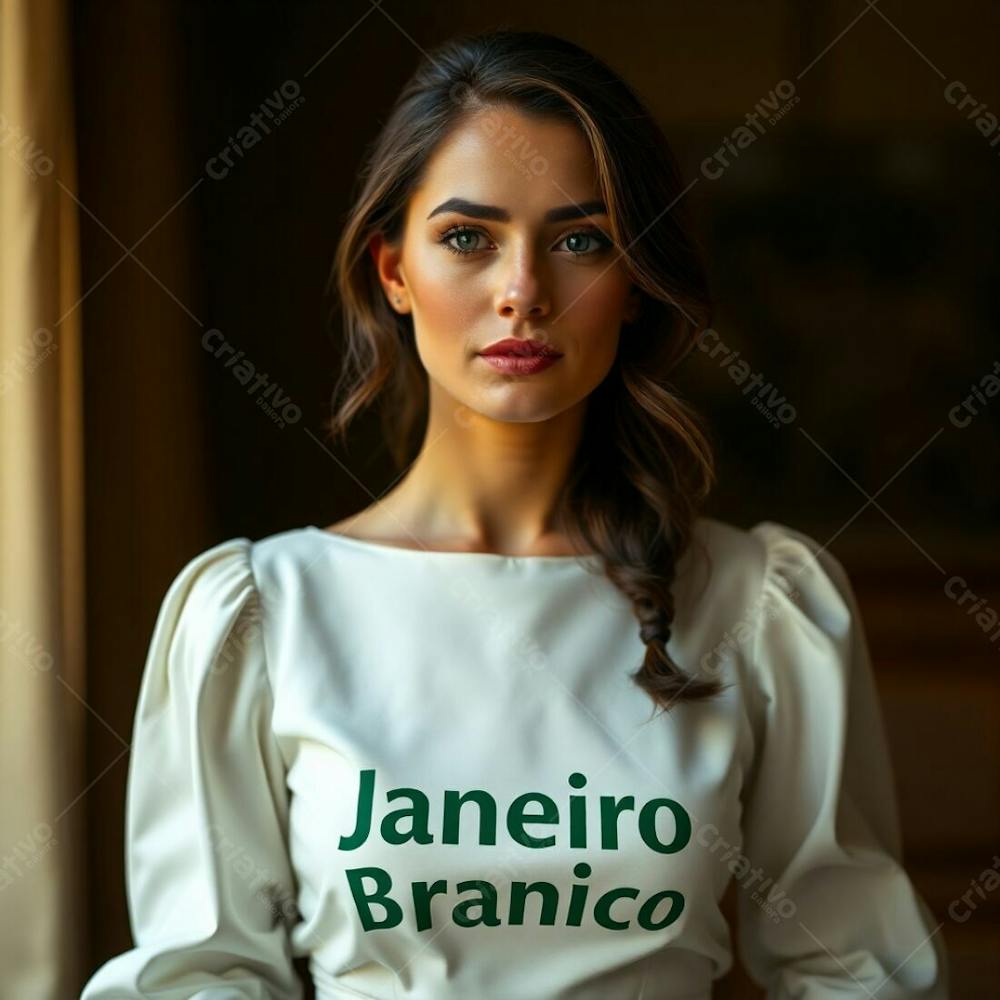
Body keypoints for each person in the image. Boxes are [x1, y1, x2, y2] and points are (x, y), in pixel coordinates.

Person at [81, 28, 949, 1000]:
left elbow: (856, 972)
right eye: (466, 238)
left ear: (632, 286)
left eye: (580, 241)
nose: (522, 292)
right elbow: (201, 973)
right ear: (393, 271)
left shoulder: (762, 602)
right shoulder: (258, 611)